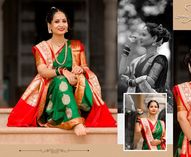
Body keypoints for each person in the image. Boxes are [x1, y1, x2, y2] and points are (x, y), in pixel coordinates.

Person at [7, 7, 116, 136]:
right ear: (50, 26)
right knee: (60, 81)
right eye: (57, 21)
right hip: (51, 90)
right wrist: (62, 72)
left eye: (64, 21)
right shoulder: (42, 47)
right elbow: (42, 71)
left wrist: (79, 69)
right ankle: (75, 122)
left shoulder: (76, 45)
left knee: (76, 81)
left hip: (75, 86)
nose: (61, 24)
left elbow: (85, 67)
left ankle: (73, 114)